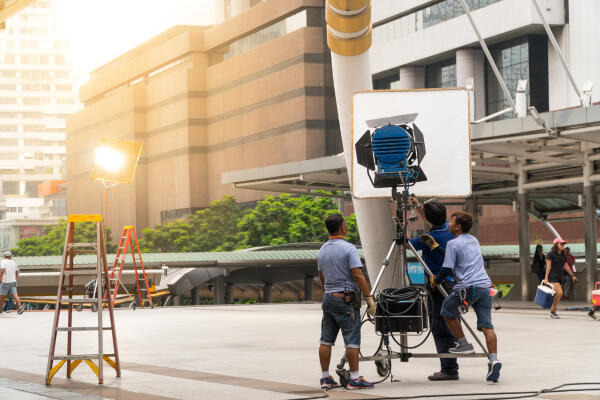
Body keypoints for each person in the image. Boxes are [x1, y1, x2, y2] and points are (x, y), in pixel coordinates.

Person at [433, 211, 502, 383]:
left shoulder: (452, 243)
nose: (448, 224)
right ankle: (494, 360)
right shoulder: (474, 240)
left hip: (467, 288)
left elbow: (448, 267)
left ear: (457, 227)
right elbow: (459, 257)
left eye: (451, 222)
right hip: (485, 287)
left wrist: (436, 280)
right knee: (487, 326)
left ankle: (464, 344)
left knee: (447, 312)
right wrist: (436, 248)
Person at [317, 213, 377, 390]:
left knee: (326, 340)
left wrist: (327, 291)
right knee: (352, 340)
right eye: (345, 224)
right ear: (342, 227)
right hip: (345, 300)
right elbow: (358, 274)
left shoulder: (322, 250)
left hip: (328, 297)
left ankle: (325, 378)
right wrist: (369, 297)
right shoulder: (349, 248)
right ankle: (355, 379)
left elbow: (321, 277)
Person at [408, 198, 459, 381]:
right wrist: (418, 206)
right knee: (452, 321)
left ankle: (449, 368)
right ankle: (451, 366)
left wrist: (398, 227)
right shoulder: (448, 230)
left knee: (439, 326)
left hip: (437, 285)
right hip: (453, 283)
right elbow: (433, 221)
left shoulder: (429, 239)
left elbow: (407, 245)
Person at [544, 238, 578, 318]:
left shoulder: (563, 254)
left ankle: (552, 309)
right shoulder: (550, 254)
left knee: (557, 294)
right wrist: (546, 278)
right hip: (552, 276)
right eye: (561, 244)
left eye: (563, 244)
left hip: (560, 276)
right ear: (556, 245)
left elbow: (565, 265)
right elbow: (548, 267)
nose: (563, 245)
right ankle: (553, 311)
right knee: (560, 293)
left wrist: (572, 275)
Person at [0, 251, 25, 315]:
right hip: (13, 282)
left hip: (5, 282)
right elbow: (17, 272)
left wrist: (0, 278)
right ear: (10, 256)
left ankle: (0, 310)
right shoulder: (14, 262)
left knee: (1, 296)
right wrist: (15, 278)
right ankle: (20, 307)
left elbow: (2, 270)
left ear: (5, 256)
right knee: (15, 295)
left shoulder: (3, 262)